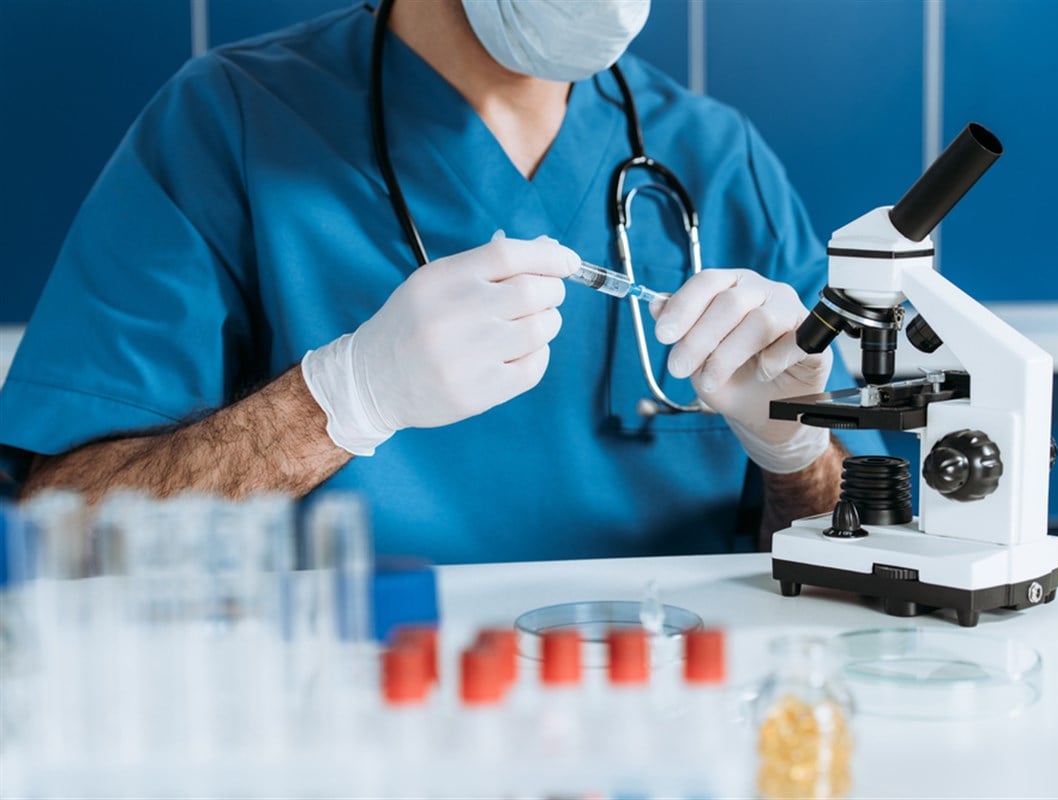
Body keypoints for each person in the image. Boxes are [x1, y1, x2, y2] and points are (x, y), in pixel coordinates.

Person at [0, 0, 882, 563]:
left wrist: (797, 453)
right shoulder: (230, 123)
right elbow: (60, 539)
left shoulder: (717, 159)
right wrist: (338, 400)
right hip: (341, 722)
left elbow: (871, 554)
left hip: (671, 711)